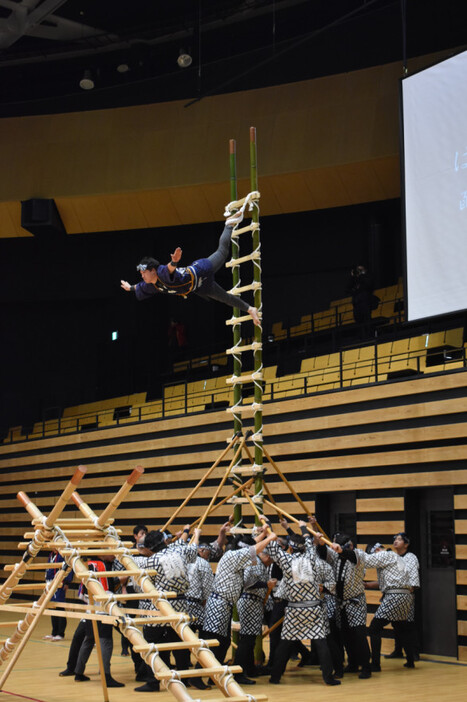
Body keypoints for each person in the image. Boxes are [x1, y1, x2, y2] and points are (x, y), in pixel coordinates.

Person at [120, 210, 260, 325]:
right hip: (198, 287)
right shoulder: (151, 285)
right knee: (225, 298)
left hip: (200, 271)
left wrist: (174, 261)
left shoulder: (161, 272)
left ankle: (228, 224)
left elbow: (169, 269)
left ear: (152, 271)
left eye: (144, 272)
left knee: (222, 253)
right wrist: (130, 287)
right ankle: (250, 309)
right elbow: (139, 286)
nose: (142, 276)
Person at [264, 521, 341, 687]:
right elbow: (309, 541)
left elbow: (272, 547)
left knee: (285, 643)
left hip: (295, 608)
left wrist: (267, 526)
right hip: (314, 607)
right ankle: (328, 678)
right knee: (320, 641)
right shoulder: (312, 557)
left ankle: (275, 676)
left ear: (290, 548)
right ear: (303, 547)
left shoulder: (286, 560)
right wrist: (303, 527)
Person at [363, 533, 420, 671]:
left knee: (374, 628)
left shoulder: (384, 554)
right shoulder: (395, 557)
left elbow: (366, 561)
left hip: (395, 595)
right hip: (404, 595)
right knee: (401, 627)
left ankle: (375, 664)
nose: (395, 541)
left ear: (376, 551)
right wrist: (368, 585)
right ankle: (410, 660)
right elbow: (388, 581)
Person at [43, 550, 73, 641]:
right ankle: (54, 632)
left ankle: (60, 633)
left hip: (59, 584)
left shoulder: (62, 555)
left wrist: (67, 582)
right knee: (52, 607)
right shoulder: (51, 554)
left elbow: (68, 568)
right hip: (50, 583)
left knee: (59, 607)